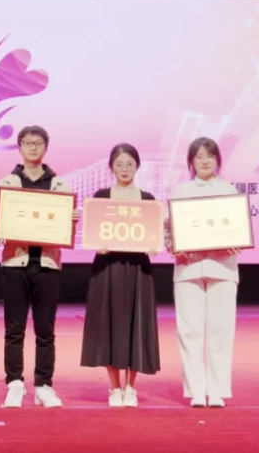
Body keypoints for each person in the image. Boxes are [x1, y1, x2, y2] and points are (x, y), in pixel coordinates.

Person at [0, 125, 78, 408]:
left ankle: (43, 385)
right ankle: (14, 384)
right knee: (14, 329)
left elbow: (66, 228)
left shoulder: (60, 186)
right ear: (19, 147)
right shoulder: (7, 184)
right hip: (15, 263)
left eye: (38, 143)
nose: (33, 147)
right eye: (28, 142)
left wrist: (71, 219)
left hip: (47, 264)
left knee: (45, 330)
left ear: (46, 147)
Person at [80, 143, 161, 407]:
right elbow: (93, 230)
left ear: (137, 166)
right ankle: (114, 387)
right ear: (111, 167)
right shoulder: (101, 197)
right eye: (119, 164)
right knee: (110, 326)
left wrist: (153, 244)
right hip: (108, 268)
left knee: (136, 325)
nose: (124, 169)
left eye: (129, 164)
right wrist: (98, 242)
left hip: (138, 269)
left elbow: (155, 234)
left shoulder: (148, 200)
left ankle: (131, 387)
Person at [166, 137, 243, 408]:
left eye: (210, 156)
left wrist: (237, 241)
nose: (205, 161)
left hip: (222, 268)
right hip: (188, 268)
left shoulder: (229, 191)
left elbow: (238, 228)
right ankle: (196, 390)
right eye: (199, 156)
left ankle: (217, 390)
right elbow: (169, 230)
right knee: (190, 331)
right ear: (191, 162)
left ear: (218, 160)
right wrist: (175, 247)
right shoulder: (181, 192)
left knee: (221, 331)